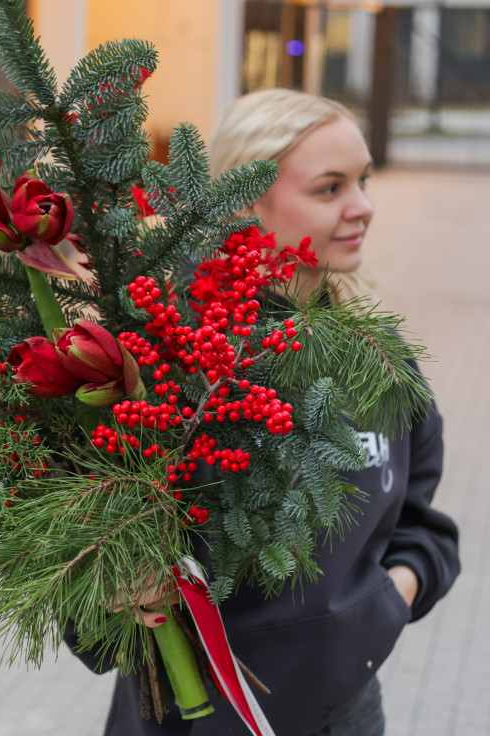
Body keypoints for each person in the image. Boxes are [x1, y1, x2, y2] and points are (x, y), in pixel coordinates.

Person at [65, 89, 460, 735]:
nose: (363, 206)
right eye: (330, 188)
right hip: (190, 717)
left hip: (347, 713)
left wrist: (386, 601)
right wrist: (113, 592)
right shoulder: (167, 366)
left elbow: (422, 524)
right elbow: (84, 584)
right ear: (247, 200)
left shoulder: (380, 363)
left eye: (363, 180)